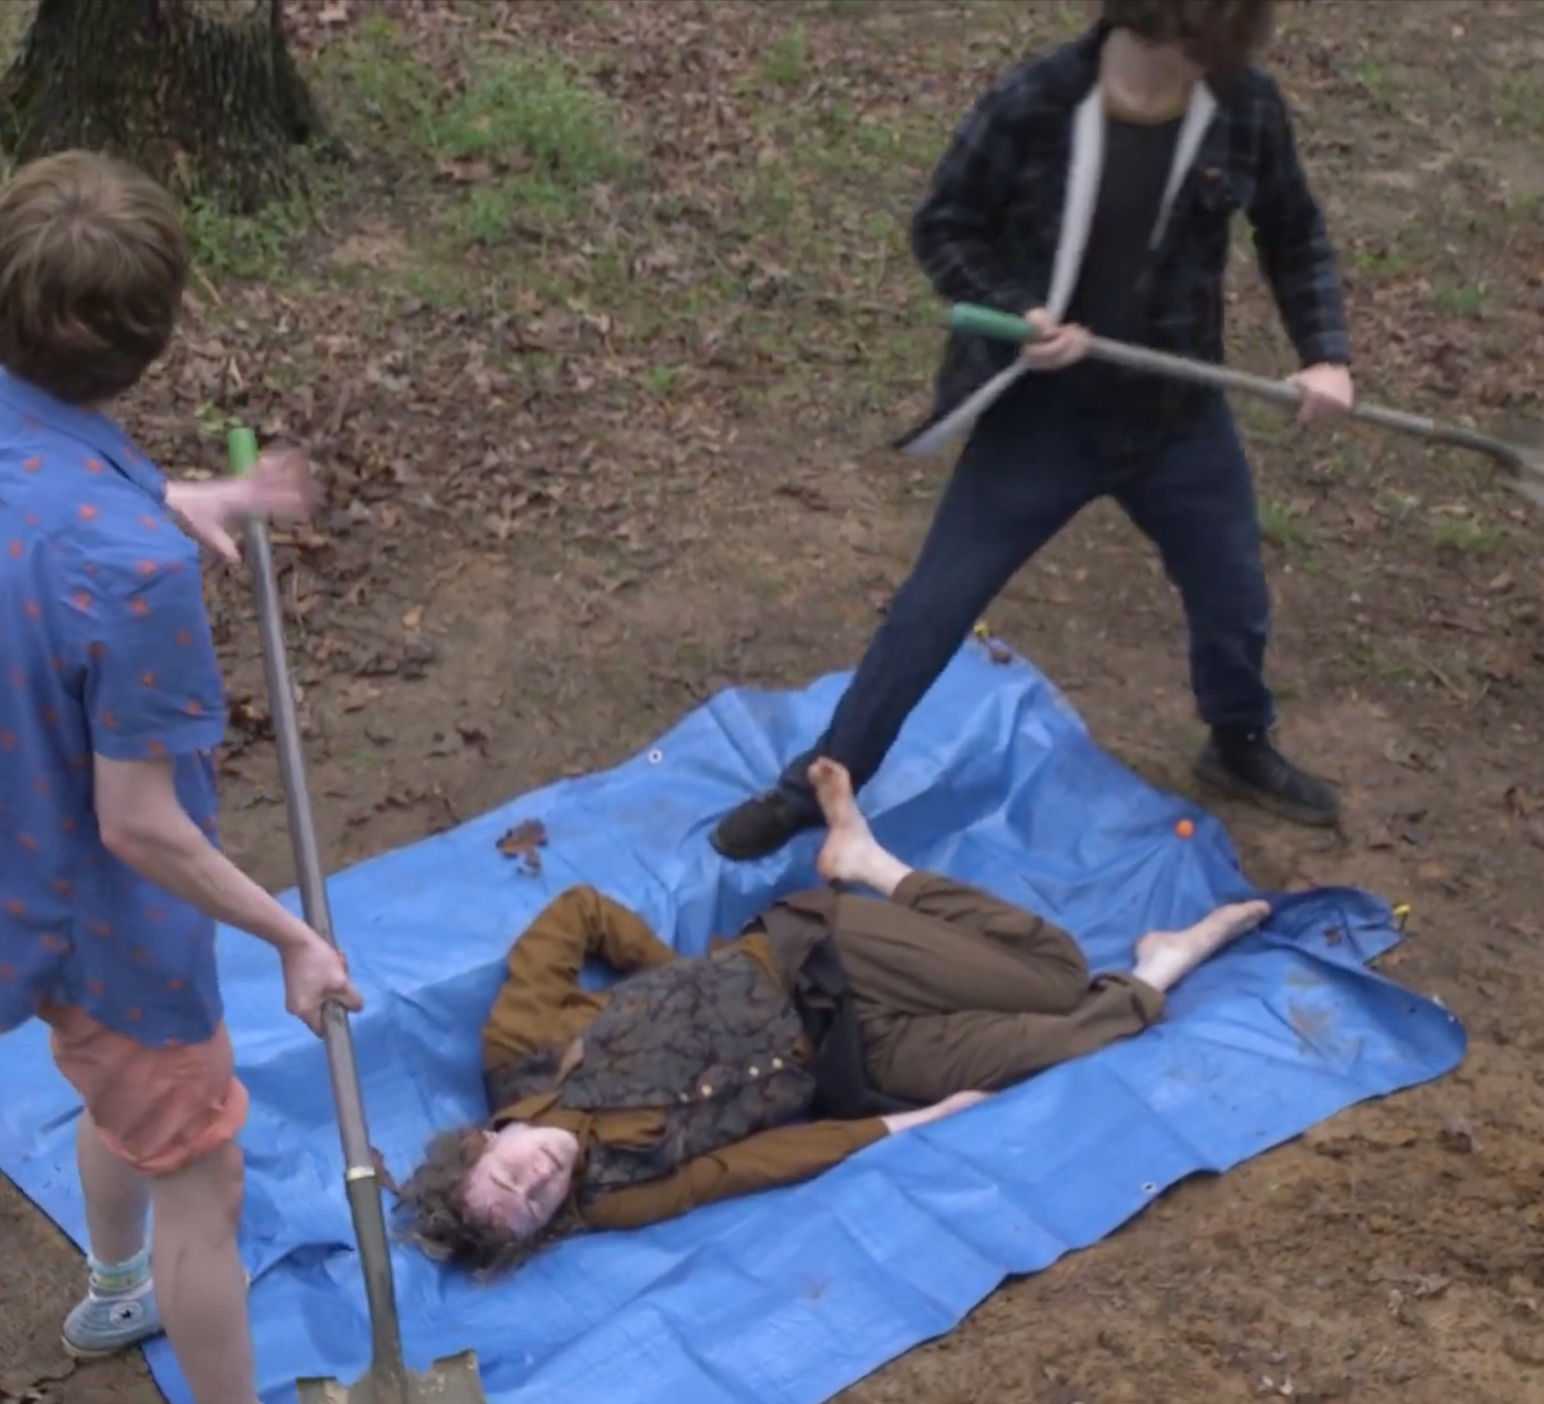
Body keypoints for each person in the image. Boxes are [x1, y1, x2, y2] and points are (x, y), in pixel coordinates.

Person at [0, 151, 360, 1404]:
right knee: (203, 1172)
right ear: (156, 335)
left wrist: (181, 494)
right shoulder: (136, 575)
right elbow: (141, 829)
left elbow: (33, 489)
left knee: (120, 1093)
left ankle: (116, 1282)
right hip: (92, 903)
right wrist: (294, 938)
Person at [710, 0, 1354, 864]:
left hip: (1177, 418)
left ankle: (1237, 741)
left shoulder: (1244, 105)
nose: (1226, 55)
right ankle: (816, 785)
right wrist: (1020, 313)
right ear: (1166, 20)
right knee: (931, 610)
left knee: (1233, 594)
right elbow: (942, 227)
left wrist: (1325, 355)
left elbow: (1294, 229)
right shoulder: (1034, 104)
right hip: (1042, 421)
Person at [397, 755, 1270, 1274]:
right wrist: (911, 1121)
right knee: (1051, 1044)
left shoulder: (520, 1050)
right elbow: (752, 1165)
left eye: (512, 1175)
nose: (542, 1178)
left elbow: (576, 910)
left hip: (819, 953)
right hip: (853, 1064)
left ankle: (866, 859)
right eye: (537, 1205)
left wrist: (684, 983)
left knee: (1054, 972)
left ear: (484, 1142)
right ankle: (1163, 966)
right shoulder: (610, 1197)